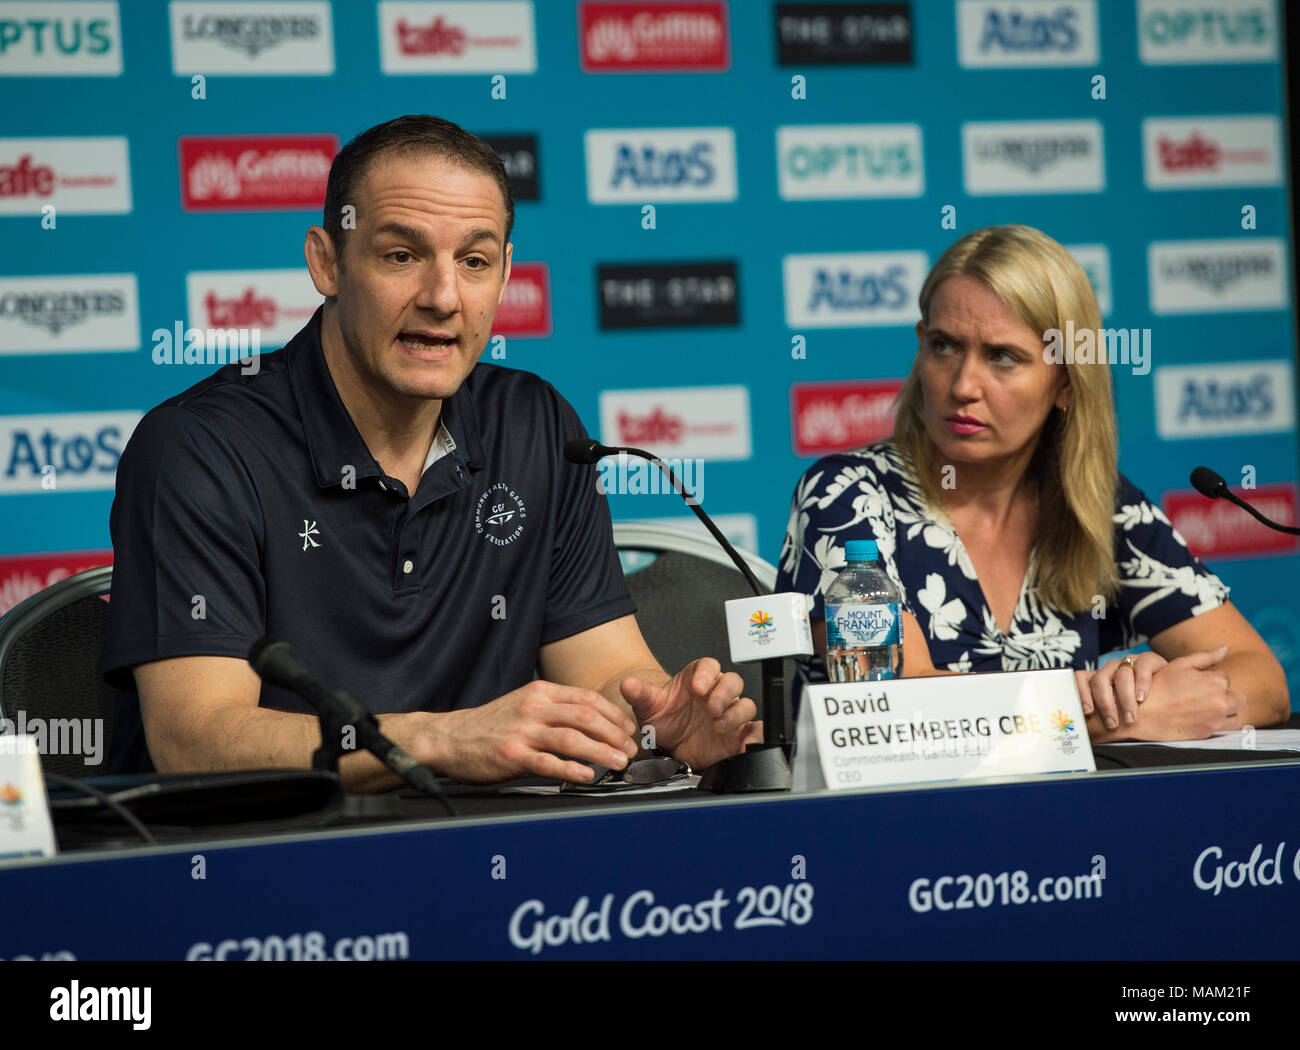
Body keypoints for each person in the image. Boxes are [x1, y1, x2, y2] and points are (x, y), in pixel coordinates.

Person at [103, 115, 759, 790]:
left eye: (473, 262)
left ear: (505, 275)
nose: (443, 297)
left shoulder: (533, 424)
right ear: (327, 262)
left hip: (485, 861)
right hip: (262, 866)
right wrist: (441, 739)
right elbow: (195, 739)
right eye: (401, 256)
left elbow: (603, 676)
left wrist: (661, 724)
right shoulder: (199, 446)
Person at [776, 224, 1289, 741]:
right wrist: (1110, 719)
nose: (963, 385)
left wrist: (1142, 690)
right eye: (945, 346)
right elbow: (895, 711)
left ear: (1065, 381)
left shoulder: (1103, 507)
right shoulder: (847, 495)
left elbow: (1264, 683)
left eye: (1003, 356)